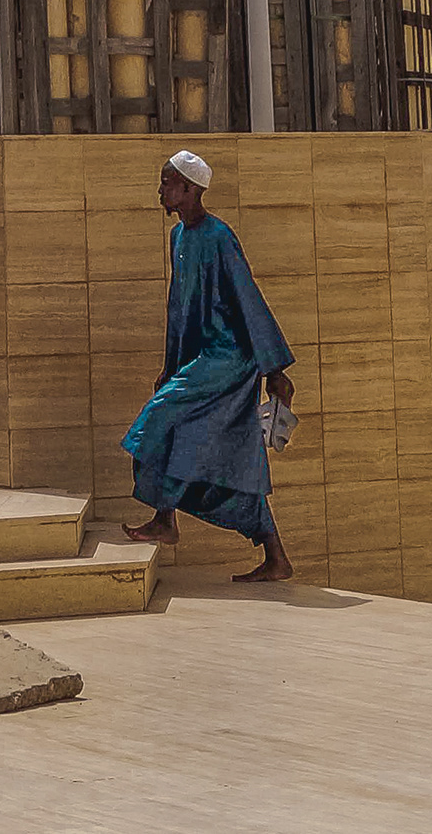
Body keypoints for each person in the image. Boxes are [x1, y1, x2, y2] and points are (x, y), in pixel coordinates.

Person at [120, 149, 296, 583]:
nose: (161, 190)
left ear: (190, 189)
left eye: (167, 183)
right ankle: (273, 555)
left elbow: (247, 298)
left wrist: (274, 369)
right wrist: (171, 365)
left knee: (157, 419)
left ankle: (166, 517)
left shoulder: (219, 236)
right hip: (202, 360)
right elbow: (178, 308)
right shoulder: (178, 238)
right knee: (225, 452)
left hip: (229, 358)